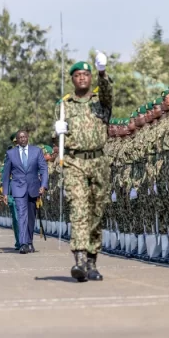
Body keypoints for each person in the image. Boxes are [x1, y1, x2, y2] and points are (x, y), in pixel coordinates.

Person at [54, 50, 113, 282]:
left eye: (85, 75)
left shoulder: (101, 102)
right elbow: (56, 138)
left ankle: (92, 260)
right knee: (79, 209)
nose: (81, 78)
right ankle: (79, 259)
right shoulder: (64, 106)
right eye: (77, 75)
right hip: (74, 161)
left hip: (98, 161)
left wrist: (102, 71)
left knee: (97, 212)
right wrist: (57, 129)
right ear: (72, 79)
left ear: (90, 78)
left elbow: (108, 90)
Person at [2, 130, 48, 254]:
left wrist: (43, 185)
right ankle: (23, 243)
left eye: (24, 137)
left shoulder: (36, 151)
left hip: (33, 188)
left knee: (31, 217)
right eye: (20, 137)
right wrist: (5, 192)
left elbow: (44, 169)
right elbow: (5, 175)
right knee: (22, 215)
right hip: (18, 189)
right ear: (16, 140)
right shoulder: (11, 154)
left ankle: (29, 241)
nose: (22, 139)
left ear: (28, 138)